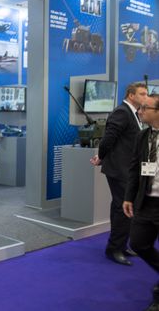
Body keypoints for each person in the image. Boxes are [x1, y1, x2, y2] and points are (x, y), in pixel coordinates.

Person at [90, 82, 148, 265]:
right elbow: (109, 138)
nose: (146, 97)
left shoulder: (135, 113)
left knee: (127, 209)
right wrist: (101, 155)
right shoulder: (122, 112)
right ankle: (113, 249)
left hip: (129, 169)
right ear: (131, 95)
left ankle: (122, 245)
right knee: (121, 208)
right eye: (142, 94)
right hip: (119, 169)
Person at [123, 94, 159, 311]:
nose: (140, 111)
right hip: (146, 202)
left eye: (145, 108)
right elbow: (135, 169)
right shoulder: (143, 136)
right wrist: (128, 196)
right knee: (138, 243)